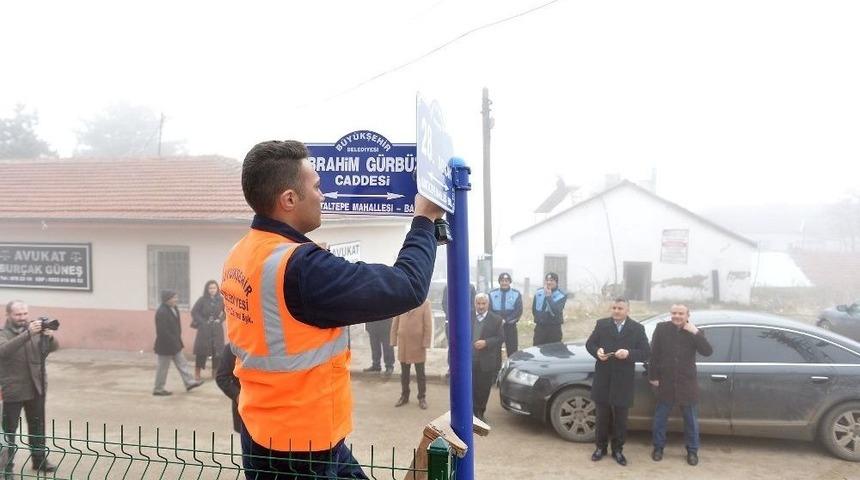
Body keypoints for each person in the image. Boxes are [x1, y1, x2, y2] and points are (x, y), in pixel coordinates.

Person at [221, 140, 443, 480]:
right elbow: (407, 286)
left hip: (266, 430)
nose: (323, 195)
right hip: (300, 451)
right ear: (289, 199)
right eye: (317, 186)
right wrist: (424, 220)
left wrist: (306, 256)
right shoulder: (302, 268)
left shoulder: (244, 251)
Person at [585, 298, 650, 466]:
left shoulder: (637, 328)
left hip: (623, 380)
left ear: (627, 310)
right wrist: (596, 351)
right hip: (603, 377)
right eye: (614, 307)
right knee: (601, 417)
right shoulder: (601, 324)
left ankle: (618, 450)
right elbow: (590, 344)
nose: (616, 311)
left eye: (620, 308)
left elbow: (645, 352)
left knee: (621, 419)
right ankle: (600, 448)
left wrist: (628, 353)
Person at [649, 304, 713, 466]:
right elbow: (654, 354)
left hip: (687, 383)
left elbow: (707, 351)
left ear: (687, 315)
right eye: (674, 313)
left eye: (681, 313)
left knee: (691, 420)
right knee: (660, 418)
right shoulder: (662, 328)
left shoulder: (695, 332)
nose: (677, 316)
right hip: (666, 382)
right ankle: (658, 448)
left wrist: (696, 333)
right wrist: (653, 376)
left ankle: (692, 451)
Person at [0, 300, 59, 474]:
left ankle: (39, 461)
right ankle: (6, 468)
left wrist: (48, 336)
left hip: (36, 387)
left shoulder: (35, 331)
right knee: (9, 431)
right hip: (12, 389)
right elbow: (3, 351)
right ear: (8, 315)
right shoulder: (3, 333)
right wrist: (27, 333)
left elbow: (53, 348)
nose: (22, 317)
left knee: (37, 427)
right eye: (18, 314)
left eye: (25, 313)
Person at [153, 290, 204, 396]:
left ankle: (189, 383)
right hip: (165, 346)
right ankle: (158, 389)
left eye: (176, 297)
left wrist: (177, 341)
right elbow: (163, 331)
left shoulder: (174, 308)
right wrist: (173, 342)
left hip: (175, 344)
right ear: (167, 299)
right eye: (174, 298)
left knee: (182, 363)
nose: (176, 299)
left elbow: (176, 327)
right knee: (163, 368)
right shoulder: (161, 312)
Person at [391, 300, 432, 410]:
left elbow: (428, 324)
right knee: (404, 374)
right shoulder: (401, 302)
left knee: (420, 373)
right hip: (403, 344)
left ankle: (422, 397)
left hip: (418, 344)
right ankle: (404, 396)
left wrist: (426, 342)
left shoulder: (425, 303)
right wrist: (393, 340)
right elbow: (395, 322)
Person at [471, 293, 503, 422]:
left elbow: (500, 338)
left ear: (488, 304)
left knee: (483, 388)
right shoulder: (468, 315)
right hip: (470, 359)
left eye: (483, 304)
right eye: (478, 303)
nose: (481, 306)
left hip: (486, 361)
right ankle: (471, 412)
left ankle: (480, 412)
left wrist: (486, 343)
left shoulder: (496, 319)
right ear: (475, 304)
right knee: (471, 387)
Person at [191, 280, 226, 381]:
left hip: (216, 329)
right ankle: (197, 372)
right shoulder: (202, 300)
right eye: (210, 288)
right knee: (201, 351)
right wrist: (202, 322)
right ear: (207, 289)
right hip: (204, 330)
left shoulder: (221, 300)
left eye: (214, 288)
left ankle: (215, 373)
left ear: (217, 289)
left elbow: (227, 311)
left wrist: (220, 319)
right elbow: (194, 312)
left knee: (217, 351)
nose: (212, 290)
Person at [488, 273, 522, 355]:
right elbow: (489, 310)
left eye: (506, 281)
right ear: (499, 282)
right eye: (502, 281)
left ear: (510, 282)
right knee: (494, 352)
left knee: (512, 352)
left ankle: (512, 367)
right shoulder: (492, 294)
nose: (504, 283)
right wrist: (498, 321)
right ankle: (495, 368)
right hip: (496, 327)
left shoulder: (516, 294)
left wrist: (506, 321)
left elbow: (518, 311)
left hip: (510, 327)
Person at [532, 272, 567, 345]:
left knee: (553, 352)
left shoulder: (561, 295)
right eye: (547, 280)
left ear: (556, 282)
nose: (549, 282)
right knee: (537, 350)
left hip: (554, 328)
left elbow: (556, 311)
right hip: (540, 327)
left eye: (551, 280)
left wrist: (548, 296)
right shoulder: (539, 292)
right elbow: (534, 309)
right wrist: (539, 318)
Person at [215, 343, 242, 434]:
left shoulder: (275, 346)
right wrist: (238, 395)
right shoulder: (232, 348)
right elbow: (221, 378)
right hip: (244, 410)